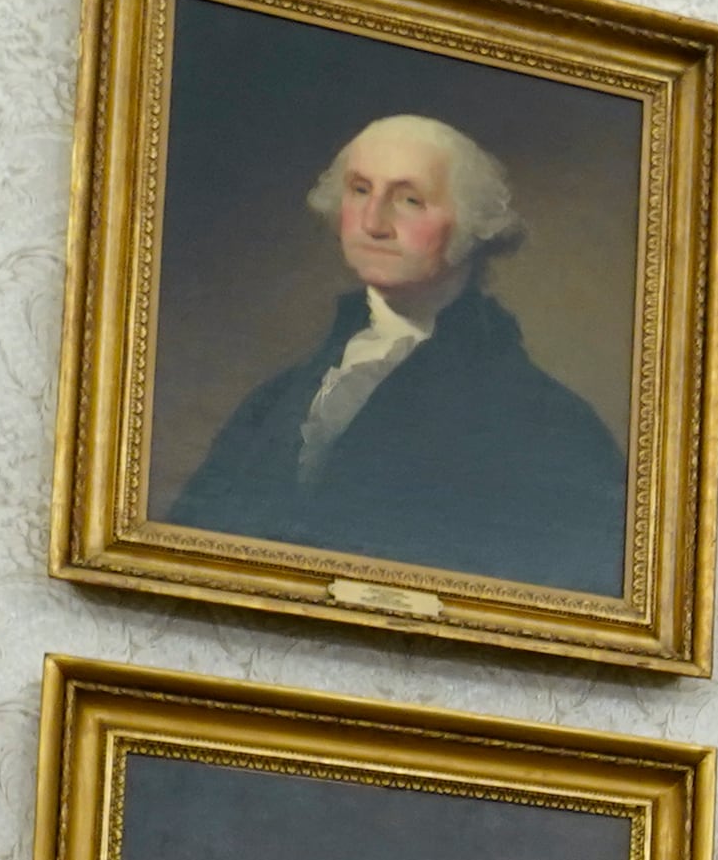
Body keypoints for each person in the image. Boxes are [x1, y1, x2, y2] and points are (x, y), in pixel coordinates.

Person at [162, 115, 628, 596]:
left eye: (409, 200)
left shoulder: (550, 426)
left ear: (474, 224)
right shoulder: (277, 401)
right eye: (360, 190)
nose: (373, 223)